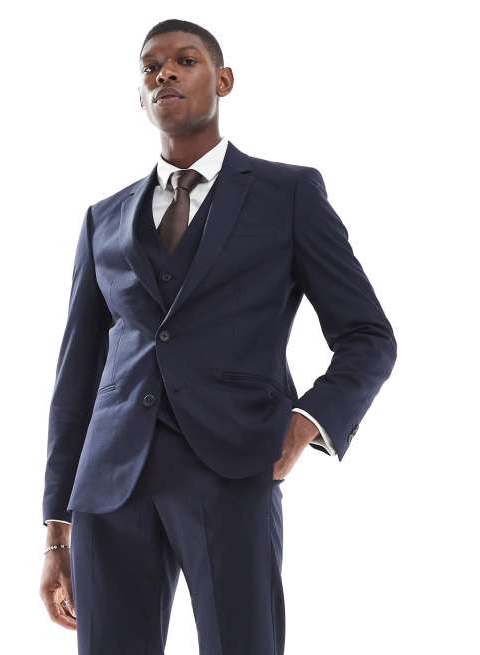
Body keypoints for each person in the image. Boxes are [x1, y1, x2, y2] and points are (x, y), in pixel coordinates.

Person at [39, 18, 397, 655]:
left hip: (232, 470)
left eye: (186, 60)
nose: (165, 74)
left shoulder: (287, 194)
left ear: (223, 80)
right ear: (140, 96)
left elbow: (368, 335)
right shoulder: (103, 220)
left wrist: (305, 424)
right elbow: (77, 378)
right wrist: (56, 530)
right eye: (151, 67)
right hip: (110, 485)